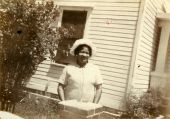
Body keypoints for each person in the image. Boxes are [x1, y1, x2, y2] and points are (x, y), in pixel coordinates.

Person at [58, 38, 103, 103]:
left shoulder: (95, 69)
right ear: (76, 53)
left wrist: (94, 105)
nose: (84, 55)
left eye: (87, 53)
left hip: (87, 107)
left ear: (89, 55)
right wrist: (63, 103)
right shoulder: (69, 68)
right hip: (69, 106)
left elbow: (99, 88)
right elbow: (60, 87)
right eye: (82, 52)